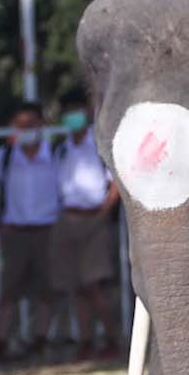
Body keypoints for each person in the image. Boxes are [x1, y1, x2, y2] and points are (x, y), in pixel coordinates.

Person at [0, 103, 62, 362]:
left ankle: (40, 341)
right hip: (14, 232)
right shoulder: (5, 156)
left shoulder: (56, 155)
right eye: (20, 126)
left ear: (42, 125)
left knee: (47, 288)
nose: (27, 131)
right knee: (8, 290)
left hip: (48, 230)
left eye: (31, 125)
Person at [52, 90, 120, 360]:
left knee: (94, 285)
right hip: (68, 218)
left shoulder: (100, 145)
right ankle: (86, 340)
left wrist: (102, 214)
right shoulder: (60, 147)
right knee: (77, 287)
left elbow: (114, 184)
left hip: (94, 218)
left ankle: (111, 337)